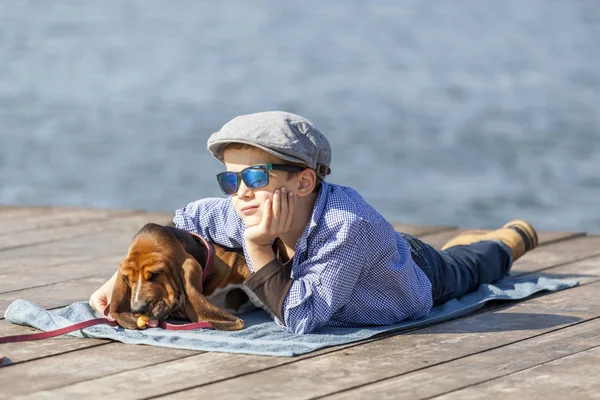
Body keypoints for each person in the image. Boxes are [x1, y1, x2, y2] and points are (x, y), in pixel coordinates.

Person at [90, 111, 538, 335]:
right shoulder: (246, 208)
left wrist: (260, 248)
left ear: (304, 181)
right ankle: (472, 241)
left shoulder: (347, 229)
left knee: (470, 266)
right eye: (231, 178)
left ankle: (505, 240)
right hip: (377, 250)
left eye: (255, 176)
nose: (240, 191)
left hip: (415, 277)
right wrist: (117, 280)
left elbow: (302, 319)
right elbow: (180, 223)